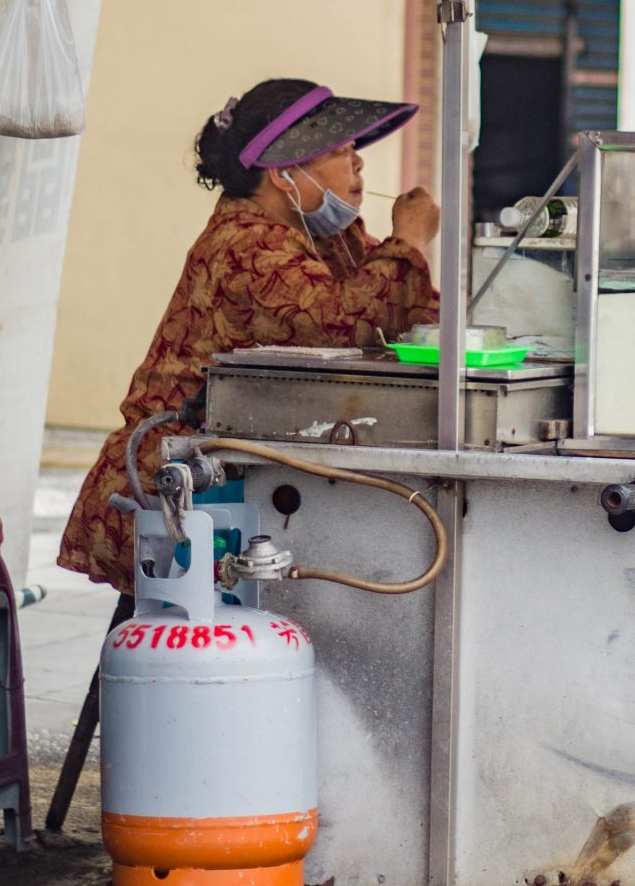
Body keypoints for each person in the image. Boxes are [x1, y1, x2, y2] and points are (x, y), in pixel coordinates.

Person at [59, 79, 440, 595]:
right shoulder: (243, 244)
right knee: (172, 630)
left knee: (194, 631)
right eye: (339, 150)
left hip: (228, 471)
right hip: (177, 478)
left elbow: (398, 314)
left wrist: (401, 254)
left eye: (355, 149)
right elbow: (334, 321)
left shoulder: (323, 236)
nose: (359, 165)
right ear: (283, 173)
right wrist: (410, 240)